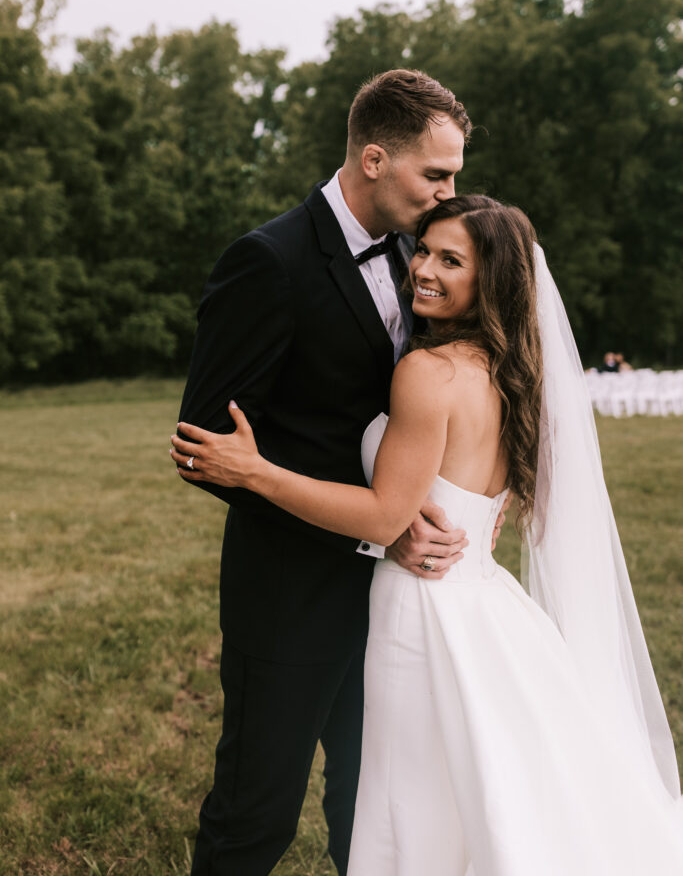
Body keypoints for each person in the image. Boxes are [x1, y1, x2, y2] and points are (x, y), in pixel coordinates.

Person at [172, 196, 683, 875]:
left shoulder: (426, 372)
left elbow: (387, 519)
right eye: (423, 251)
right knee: (478, 793)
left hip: (419, 610)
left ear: (491, 279)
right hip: (485, 602)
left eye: (451, 260)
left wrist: (257, 472)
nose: (424, 270)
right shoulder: (510, 372)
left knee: (409, 801)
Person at [173, 70, 504, 876]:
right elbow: (207, 450)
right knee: (258, 812)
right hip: (291, 592)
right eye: (436, 174)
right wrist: (375, 532)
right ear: (374, 159)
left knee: (373, 803)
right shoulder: (269, 261)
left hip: (396, 611)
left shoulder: (416, 257)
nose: (448, 192)